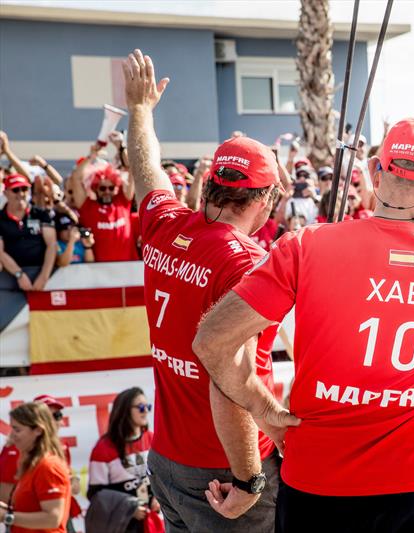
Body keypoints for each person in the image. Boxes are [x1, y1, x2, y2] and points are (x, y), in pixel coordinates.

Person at [193, 86, 414, 532]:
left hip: (316, 484)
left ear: (375, 172)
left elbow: (212, 340)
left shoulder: (309, 245)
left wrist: (265, 410)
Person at [123, 49, 283, 531]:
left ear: (210, 183)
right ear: (268, 199)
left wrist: (139, 110)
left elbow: (145, 168)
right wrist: (250, 479)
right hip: (225, 472)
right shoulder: (245, 263)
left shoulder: (165, 223)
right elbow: (229, 380)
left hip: (168, 460)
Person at [87, 387, 158, 532]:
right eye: (141, 407)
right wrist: (128, 508)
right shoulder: (104, 447)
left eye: (148, 406)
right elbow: (96, 494)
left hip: (155, 520)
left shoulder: (153, 439)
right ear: (125, 410)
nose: (146, 411)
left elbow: (166, 476)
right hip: (124, 525)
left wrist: (159, 498)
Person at [0, 403, 71, 532]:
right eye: (12, 429)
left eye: (17, 430)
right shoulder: (33, 464)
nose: (12, 435)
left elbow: (53, 518)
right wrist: (7, 510)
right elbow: (30, 508)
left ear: (38, 430)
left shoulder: (48, 466)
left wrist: (7, 516)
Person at [0, 173, 57, 291]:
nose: (21, 194)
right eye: (15, 190)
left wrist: (44, 276)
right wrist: (19, 274)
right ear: (5, 193)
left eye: (24, 189)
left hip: (41, 273)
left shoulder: (41, 214)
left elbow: (52, 245)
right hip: (11, 275)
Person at [72, 164, 137, 262]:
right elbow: (76, 179)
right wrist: (91, 156)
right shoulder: (87, 207)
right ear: (95, 188)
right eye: (102, 188)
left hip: (128, 267)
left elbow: (132, 171)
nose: (107, 191)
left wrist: (121, 149)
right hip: (99, 270)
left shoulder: (123, 202)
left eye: (111, 188)